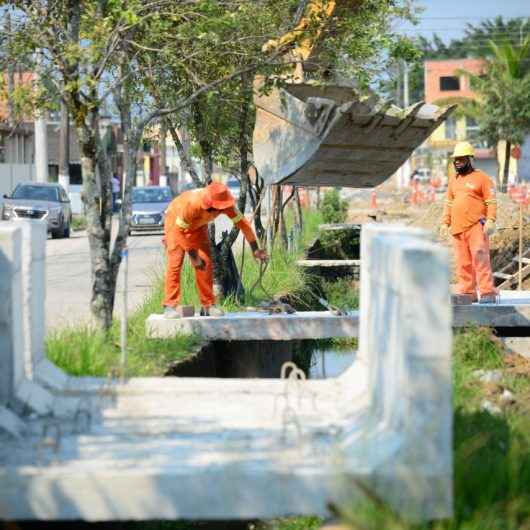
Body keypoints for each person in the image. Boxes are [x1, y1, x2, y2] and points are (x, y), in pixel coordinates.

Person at [163, 181, 268, 317]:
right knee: (175, 262)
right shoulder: (192, 204)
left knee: (205, 263)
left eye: (213, 209)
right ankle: (169, 305)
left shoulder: (227, 207)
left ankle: (207, 305)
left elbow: (244, 225)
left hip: (198, 227)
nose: (210, 211)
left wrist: (255, 249)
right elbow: (179, 232)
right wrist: (194, 257)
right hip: (175, 222)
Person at [439, 141, 497, 304]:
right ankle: (467, 292)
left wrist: (491, 220)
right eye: (456, 160)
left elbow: (490, 201)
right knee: (462, 262)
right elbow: (449, 203)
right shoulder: (453, 180)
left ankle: (487, 292)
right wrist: (445, 222)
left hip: (476, 226)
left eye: (461, 159)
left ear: (470, 160)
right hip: (458, 229)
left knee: (480, 258)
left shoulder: (482, 179)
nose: (457, 162)